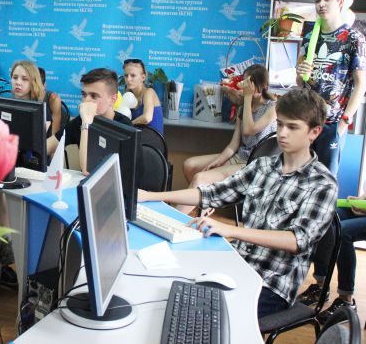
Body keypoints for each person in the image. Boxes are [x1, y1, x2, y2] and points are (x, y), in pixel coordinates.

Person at [139, 88, 337, 318]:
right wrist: (151, 196)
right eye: (280, 124)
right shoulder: (262, 167)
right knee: (171, 285)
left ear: (314, 132)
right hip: (237, 263)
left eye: (292, 127)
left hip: (271, 284)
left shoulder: (322, 184)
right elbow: (211, 193)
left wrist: (230, 230)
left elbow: (296, 240)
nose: (282, 133)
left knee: (198, 310)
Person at [296, 0, 366, 175]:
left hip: (332, 123)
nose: (321, 4)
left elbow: (361, 85)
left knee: (325, 178)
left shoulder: (354, 38)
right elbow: (300, 83)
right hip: (305, 120)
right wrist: (300, 73)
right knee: (299, 175)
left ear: (341, 2)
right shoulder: (309, 37)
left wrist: (344, 122)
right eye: (317, 0)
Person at [304, 167, 366, 322]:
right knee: (327, 215)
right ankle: (321, 286)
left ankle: (346, 301)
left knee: (343, 232)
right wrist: (362, 200)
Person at [183, 65, 277, 187]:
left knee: (200, 178)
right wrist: (218, 161)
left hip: (254, 163)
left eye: (251, 84)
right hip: (239, 156)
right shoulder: (243, 107)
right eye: (246, 83)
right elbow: (233, 145)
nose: (248, 87)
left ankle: (206, 197)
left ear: (264, 85)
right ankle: (206, 199)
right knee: (189, 165)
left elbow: (248, 130)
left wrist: (247, 97)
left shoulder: (272, 107)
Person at [46, 68, 131, 174]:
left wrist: (86, 123)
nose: (86, 100)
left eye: (94, 96)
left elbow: (88, 169)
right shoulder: (80, 121)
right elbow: (47, 146)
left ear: (113, 99)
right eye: (84, 94)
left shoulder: (124, 126)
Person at [12, 62, 62, 135]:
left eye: (24, 79)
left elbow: (38, 139)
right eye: (15, 77)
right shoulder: (7, 104)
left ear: (34, 83)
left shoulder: (41, 111)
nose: (18, 82)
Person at [122, 59, 164, 134]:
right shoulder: (128, 94)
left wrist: (129, 124)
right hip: (137, 136)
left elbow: (147, 118)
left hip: (152, 139)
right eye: (126, 75)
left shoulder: (149, 92)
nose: (128, 79)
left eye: (133, 75)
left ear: (143, 77)